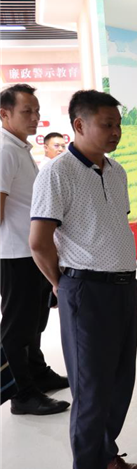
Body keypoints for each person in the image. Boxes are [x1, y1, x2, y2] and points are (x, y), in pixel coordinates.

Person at [29, 90, 137, 469]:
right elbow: (39, 242)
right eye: (106, 124)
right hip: (85, 291)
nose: (116, 132)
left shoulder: (115, 171)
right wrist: (61, 285)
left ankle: (107, 455)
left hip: (123, 288)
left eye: (118, 124)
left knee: (120, 382)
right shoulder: (57, 173)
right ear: (79, 125)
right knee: (91, 392)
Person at [0, 84, 70, 416]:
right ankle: (22, 394)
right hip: (14, 254)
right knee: (17, 327)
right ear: (4, 114)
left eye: (37, 110)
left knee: (34, 322)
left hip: (32, 252)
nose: (34, 117)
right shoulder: (4, 150)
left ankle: (37, 373)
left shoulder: (19, 148)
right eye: (26, 111)